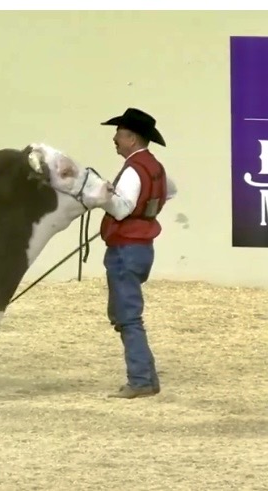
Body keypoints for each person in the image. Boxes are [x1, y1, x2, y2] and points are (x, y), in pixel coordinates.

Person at [99, 107, 178, 399]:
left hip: (125, 249)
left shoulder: (133, 169)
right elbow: (170, 191)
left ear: (131, 138)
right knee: (125, 314)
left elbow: (122, 209)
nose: (114, 139)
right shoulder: (154, 166)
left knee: (128, 317)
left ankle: (141, 380)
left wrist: (102, 196)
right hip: (142, 248)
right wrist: (146, 210)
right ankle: (147, 379)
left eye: (118, 134)